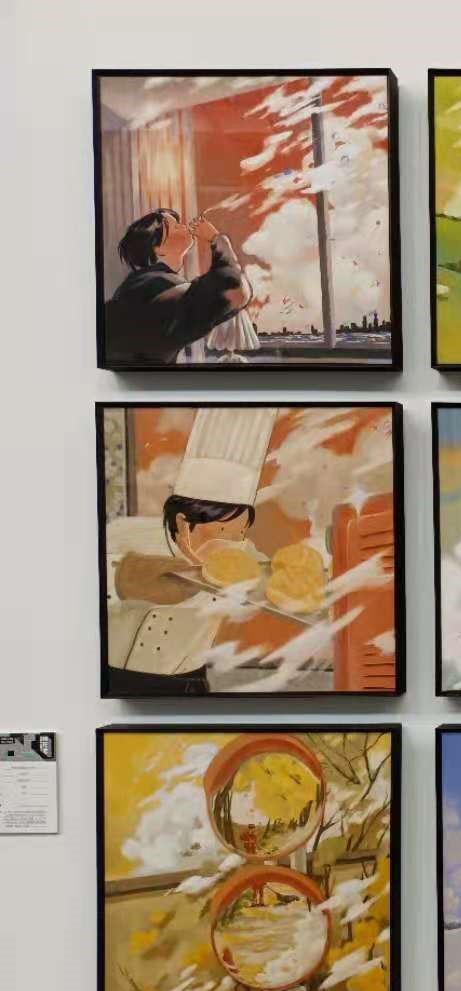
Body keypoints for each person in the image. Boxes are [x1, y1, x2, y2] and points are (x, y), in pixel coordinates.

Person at [105, 408, 278, 694]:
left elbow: (270, 577)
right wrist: (124, 581)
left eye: (240, 532)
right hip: (116, 682)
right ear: (183, 524)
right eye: (222, 531)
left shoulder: (242, 555)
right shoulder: (124, 536)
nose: (233, 544)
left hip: (188, 684)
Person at [104, 209, 253, 366]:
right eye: (175, 226)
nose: (183, 226)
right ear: (157, 248)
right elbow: (234, 289)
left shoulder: (141, 283)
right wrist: (216, 239)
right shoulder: (158, 285)